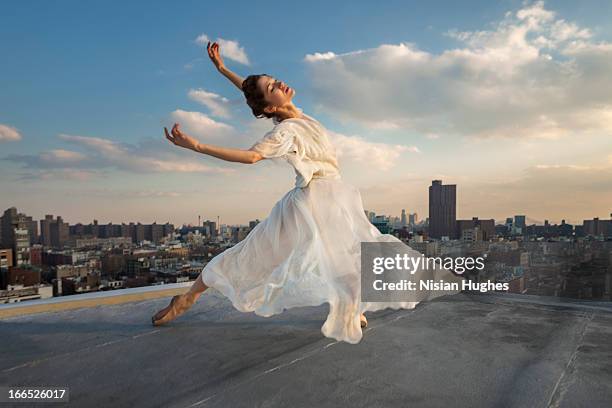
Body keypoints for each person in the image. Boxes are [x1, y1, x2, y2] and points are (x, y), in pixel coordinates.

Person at [152, 42, 463, 344]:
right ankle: (187, 299)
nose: (280, 82)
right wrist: (197, 146)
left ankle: (349, 306)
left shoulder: (294, 114)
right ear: (272, 105)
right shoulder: (284, 132)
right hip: (309, 202)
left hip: (336, 196)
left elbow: (255, 96)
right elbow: (252, 157)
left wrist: (223, 70)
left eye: (274, 80)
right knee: (253, 255)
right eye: (274, 86)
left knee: (350, 255)